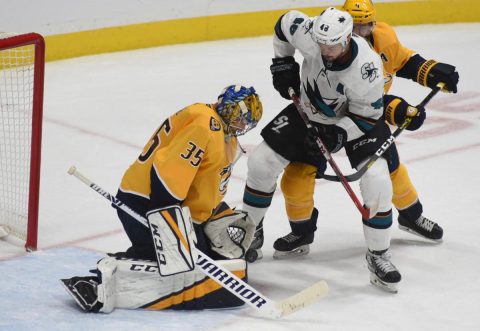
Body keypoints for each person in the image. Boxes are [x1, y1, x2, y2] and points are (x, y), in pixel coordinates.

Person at [61, 85, 263, 312]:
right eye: (238, 117)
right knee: (179, 267)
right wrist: (170, 227)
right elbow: (166, 175)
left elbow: (205, 181)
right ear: (226, 108)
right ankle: (98, 281)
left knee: (209, 266)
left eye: (245, 121)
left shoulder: (223, 134)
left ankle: (150, 257)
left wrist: (212, 212)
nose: (241, 124)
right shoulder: (204, 127)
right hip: (146, 201)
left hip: (172, 204)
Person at [242, 7, 402, 292]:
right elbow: (284, 24)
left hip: (357, 121)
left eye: (333, 46)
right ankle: (250, 232)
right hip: (310, 109)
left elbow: (367, 118)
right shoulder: (311, 33)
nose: (325, 51)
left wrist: (338, 135)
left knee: (377, 179)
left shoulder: (367, 70)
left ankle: (378, 255)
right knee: (260, 162)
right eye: (322, 44)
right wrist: (283, 63)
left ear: (348, 38)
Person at [341, 0, 458, 240]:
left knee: (390, 167)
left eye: (367, 26)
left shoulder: (383, 37)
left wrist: (429, 70)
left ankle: (411, 215)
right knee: (299, 173)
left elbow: (402, 61)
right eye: (355, 27)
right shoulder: (335, 51)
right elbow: (345, 102)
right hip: (335, 117)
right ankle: (297, 231)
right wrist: (394, 109)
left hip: (369, 116)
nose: (361, 34)